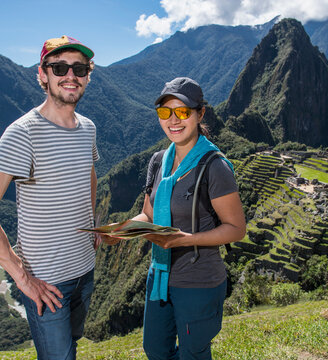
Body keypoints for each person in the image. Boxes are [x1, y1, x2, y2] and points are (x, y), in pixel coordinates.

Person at [0, 35, 100, 360]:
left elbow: (89, 174)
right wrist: (22, 278)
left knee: (72, 344)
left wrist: (91, 223)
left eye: (79, 68)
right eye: (59, 67)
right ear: (42, 74)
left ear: (88, 75)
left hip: (85, 270)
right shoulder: (23, 133)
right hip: (48, 284)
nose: (70, 75)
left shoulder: (88, 128)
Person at [105, 77, 246, 359]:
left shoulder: (214, 167)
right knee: (155, 349)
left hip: (199, 282)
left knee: (193, 353)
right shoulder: (159, 161)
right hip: (160, 275)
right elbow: (148, 213)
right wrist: (120, 230)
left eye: (182, 112)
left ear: (200, 113)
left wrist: (187, 239)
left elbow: (236, 229)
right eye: (164, 112)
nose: (173, 120)